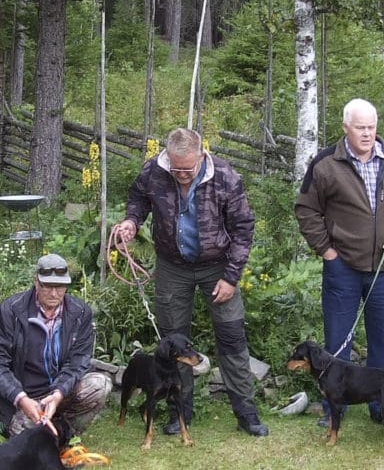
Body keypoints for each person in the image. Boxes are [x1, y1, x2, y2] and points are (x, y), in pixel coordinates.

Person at [112, 128, 268, 437]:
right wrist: (132, 221)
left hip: (218, 266)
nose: (182, 174)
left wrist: (231, 277)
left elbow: (243, 228)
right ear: (168, 157)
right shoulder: (154, 171)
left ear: (201, 155)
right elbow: (138, 199)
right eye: (176, 168)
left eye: (188, 168)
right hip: (172, 266)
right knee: (173, 343)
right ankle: (178, 413)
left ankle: (247, 414)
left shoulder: (225, 175)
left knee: (232, 339)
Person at [295, 98, 384, 423]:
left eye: (371, 127)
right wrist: (327, 251)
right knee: (338, 342)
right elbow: (306, 209)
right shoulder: (326, 163)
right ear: (345, 128)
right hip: (342, 267)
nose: (367, 134)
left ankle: (383, 407)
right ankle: (332, 408)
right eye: (360, 128)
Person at [0, 253, 112, 437]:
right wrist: (20, 398)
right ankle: (14, 425)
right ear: (36, 282)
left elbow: (79, 361)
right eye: (47, 286)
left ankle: (67, 434)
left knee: (101, 384)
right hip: (26, 396)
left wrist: (59, 392)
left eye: (60, 287)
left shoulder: (80, 312)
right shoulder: (10, 310)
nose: (54, 293)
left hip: (61, 391)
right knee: (27, 440)